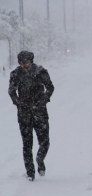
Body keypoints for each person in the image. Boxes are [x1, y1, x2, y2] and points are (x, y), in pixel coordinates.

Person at [8, 51, 54, 181]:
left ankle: (40, 159)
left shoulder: (40, 72)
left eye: (27, 62)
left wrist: (43, 100)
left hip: (40, 112)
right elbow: (11, 91)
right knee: (27, 144)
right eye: (22, 63)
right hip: (24, 114)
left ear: (31, 61)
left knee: (45, 142)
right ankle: (30, 173)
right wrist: (18, 103)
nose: (25, 65)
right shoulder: (16, 74)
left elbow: (50, 87)